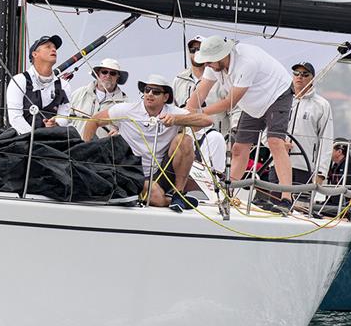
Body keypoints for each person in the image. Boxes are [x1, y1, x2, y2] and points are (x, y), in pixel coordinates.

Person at [188, 36, 294, 212]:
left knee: (275, 142)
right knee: (238, 148)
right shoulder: (212, 65)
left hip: (277, 94)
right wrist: (187, 112)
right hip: (252, 101)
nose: (206, 65)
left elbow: (230, 102)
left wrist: (200, 113)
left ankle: (286, 199)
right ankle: (227, 194)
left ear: (221, 56)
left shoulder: (247, 62)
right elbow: (201, 92)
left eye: (209, 62)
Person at [82, 74, 212, 211]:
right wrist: (85, 156)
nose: (150, 94)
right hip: (133, 173)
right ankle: (170, 200)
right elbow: (93, 121)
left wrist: (176, 120)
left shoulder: (173, 112)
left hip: (162, 173)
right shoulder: (126, 110)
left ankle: (178, 194)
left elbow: (207, 121)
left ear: (165, 97)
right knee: (155, 197)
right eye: (147, 90)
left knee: (185, 140)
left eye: (156, 92)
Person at [269, 62, 334, 187]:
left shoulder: (322, 105)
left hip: (304, 167)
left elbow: (327, 139)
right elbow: (265, 129)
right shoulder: (279, 100)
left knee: (298, 206)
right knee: (274, 204)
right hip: (277, 163)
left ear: (312, 79)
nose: (300, 77)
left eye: (305, 74)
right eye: (296, 73)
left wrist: (321, 172)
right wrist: (277, 145)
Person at [172, 36, 229, 173]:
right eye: (192, 49)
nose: (196, 52)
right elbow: (172, 108)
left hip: (217, 139)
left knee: (214, 181)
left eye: (199, 49)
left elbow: (235, 108)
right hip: (186, 140)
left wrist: (234, 135)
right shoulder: (178, 80)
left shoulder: (221, 78)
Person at [6, 35, 72, 134]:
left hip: (53, 140)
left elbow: (64, 115)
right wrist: (35, 138)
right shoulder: (19, 81)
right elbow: (15, 118)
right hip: (23, 142)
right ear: (35, 54)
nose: (54, 49)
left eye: (54, 48)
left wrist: (56, 123)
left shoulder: (64, 85)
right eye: (48, 47)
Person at [69, 58, 128, 139]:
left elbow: (130, 130)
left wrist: (119, 133)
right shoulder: (78, 93)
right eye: (104, 72)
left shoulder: (125, 104)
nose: (108, 76)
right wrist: (56, 123)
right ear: (98, 74)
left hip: (104, 150)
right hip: (75, 148)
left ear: (117, 77)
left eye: (113, 73)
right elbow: (64, 117)